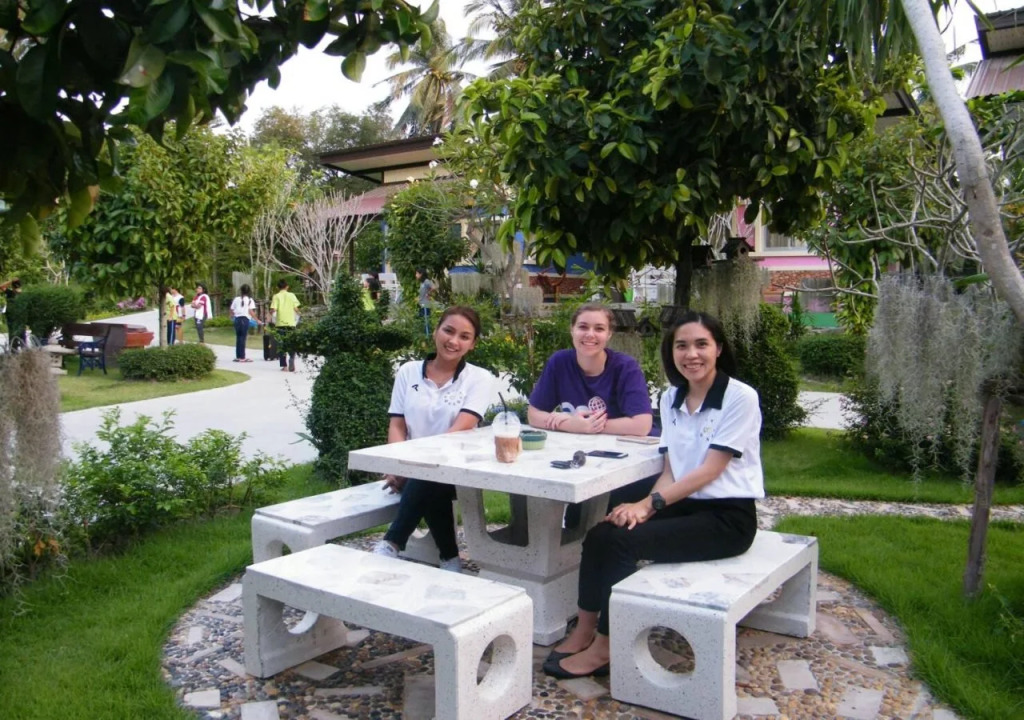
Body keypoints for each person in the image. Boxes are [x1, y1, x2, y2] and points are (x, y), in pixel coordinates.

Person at [542, 310, 763, 680]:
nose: (691, 354)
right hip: (681, 504)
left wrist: (649, 504)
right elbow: (671, 470)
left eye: (701, 345)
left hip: (727, 519)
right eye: (681, 346)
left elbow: (710, 470)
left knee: (621, 544)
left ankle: (606, 647)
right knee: (601, 534)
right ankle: (584, 629)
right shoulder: (672, 397)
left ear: (719, 349)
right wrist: (643, 509)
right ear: (671, 352)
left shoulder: (739, 397)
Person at [373, 306, 497, 573]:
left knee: (428, 475)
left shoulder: (479, 378)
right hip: (415, 470)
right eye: (448, 331)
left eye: (464, 336)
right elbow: (397, 425)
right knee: (427, 478)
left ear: (473, 344)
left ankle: (392, 542)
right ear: (436, 332)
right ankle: (450, 559)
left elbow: (458, 431)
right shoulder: (408, 372)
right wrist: (397, 465)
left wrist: (410, 469)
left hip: (461, 468)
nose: (453, 341)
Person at [527, 303, 654, 526]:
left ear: (609, 334)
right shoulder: (560, 362)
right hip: (585, 460)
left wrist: (588, 427)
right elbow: (534, 414)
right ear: (572, 330)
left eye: (599, 328)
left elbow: (642, 424)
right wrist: (570, 425)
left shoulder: (625, 367)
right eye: (583, 327)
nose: (590, 334)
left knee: (594, 523)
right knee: (573, 521)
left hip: (631, 465)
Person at [270, 279, 301, 372]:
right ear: (287, 287)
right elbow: (296, 308)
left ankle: (284, 366)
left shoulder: (276, 296)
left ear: (277, 287)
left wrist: (269, 314)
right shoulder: (292, 295)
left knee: (281, 344)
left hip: (280, 323)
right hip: (291, 323)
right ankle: (292, 358)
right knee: (291, 342)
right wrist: (300, 314)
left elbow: (273, 309)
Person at [230, 284, 257, 362]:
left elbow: (231, 309)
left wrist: (232, 316)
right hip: (244, 320)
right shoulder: (250, 300)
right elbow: (251, 311)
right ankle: (242, 357)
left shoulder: (236, 299)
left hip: (237, 319)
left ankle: (238, 356)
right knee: (243, 338)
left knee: (238, 337)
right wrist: (257, 319)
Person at [415, 268, 435, 337]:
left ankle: (427, 337)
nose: (416, 275)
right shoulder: (422, 283)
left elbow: (433, 287)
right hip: (421, 305)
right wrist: (418, 298)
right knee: (422, 321)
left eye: (417, 273)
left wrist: (428, 294)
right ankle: (424, 337)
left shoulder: (426, 281)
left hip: (426, 305)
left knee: (426, 322)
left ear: (421, 274)